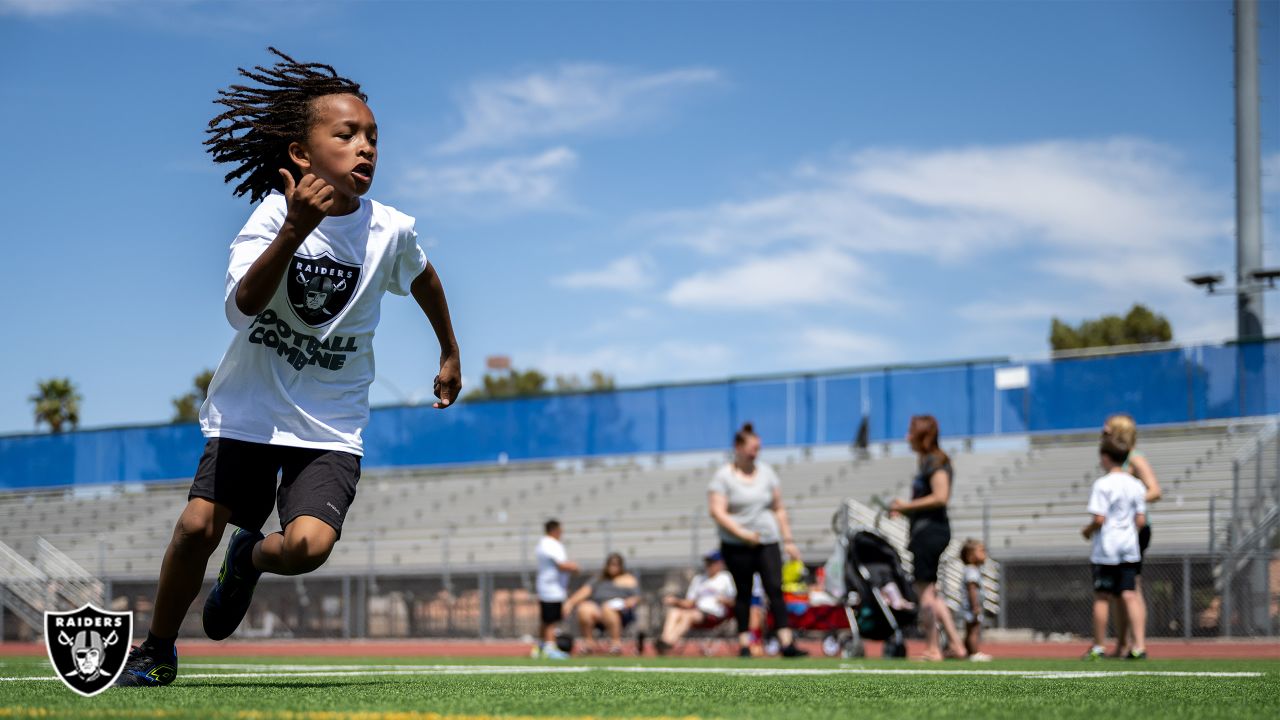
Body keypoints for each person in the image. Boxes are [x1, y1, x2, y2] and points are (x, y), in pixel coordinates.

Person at [116, 48, 461, 687]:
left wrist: (449, 350)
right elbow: (243, 307)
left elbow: (426, 279)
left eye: (373, 138)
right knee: (197, 524)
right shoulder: (275, 216)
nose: (366, 148)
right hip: (252, 406)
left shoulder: (390, 230)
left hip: (329, 418)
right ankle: (156, 650)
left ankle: (248, 556)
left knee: (307, 548)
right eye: (347, 134)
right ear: (302, 154)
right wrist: (295, 232)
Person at [708, 422, 808, 658]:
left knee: (775, 588)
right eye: (752, 447)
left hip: (767, 540)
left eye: (758, 448)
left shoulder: (767, 473)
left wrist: (789, 540)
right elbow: (717, 511)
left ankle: (786, 642)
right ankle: (745, 643)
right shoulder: (723, 476)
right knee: (743, 592)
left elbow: (779, 508)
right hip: (736, 544)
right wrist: (742, 534)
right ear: (738, 447)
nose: (756, 452)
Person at [889, 415, 967, 660]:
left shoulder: (935, 460)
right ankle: (956, 645)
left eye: (910, 432)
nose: (906, 437)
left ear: (922, 435)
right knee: (931, 592)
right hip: (929, 530)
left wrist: (907, 506)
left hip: (930, 532)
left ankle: (933, 648)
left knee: (923, 592)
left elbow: (941, 496)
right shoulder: (927, 461)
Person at [1081, 433, 1148, 660]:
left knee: (1102, 596)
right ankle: (1139, 646)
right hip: (1129, 546)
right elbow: (1140, 520)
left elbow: (1099, 519)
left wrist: (1087, 531)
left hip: (1107, 548)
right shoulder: (1136, 484)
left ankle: (1099, 645)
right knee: (1130, 594)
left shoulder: (1103, 484)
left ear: (1106, 457)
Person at [1102, 414, 1161, 658]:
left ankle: (1139, 644)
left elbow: (1155, 490)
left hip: (1134, 531)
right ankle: (1121, 644)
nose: (1103, 431)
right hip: (1116, 531)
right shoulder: (1114, 458)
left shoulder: (1135, 459)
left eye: (1107, 428)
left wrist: (1129, 502)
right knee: (1117, 591)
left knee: (1131, 588)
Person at [655, 550, 736, 655]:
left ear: (719, 564)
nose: (708, 565)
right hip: (698, 612)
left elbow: (734, 601)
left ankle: (667, 643)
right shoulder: (699, 579)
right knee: (674, 611)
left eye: (711, 562)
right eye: (707, 562)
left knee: (688, 615)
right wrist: (675, 601)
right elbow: (689, 603)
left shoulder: (725, 578)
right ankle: (665, 641)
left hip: (715, 615)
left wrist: (724, 600)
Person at [564, 553, 641, 655]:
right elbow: (585, 591)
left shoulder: (628, 579)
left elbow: (636, 598)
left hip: (620, 613)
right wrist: (570, 603)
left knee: (608, 607)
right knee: (584, 608)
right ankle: (589, 644)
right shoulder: (599, 579)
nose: (613, 567)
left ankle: (615, 644)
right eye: (610, 564)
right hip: (599, 613)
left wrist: (627, 603)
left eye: (616, 564)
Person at [534, 519, 579, 659]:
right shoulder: (550, 544)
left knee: (546, 619)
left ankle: (540, 647)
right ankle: (549, 647)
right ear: (555, 530)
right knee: (550, 620)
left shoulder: (544, 543)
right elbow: (561, 564)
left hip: (550, 587)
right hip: (551, 588)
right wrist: (575, 567)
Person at [959, 539, 992, 662]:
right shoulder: (972, 570)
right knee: (974, 630)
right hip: (972, 607)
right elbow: (972, 589)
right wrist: (975, 606)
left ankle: (968, 652)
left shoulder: (972, 570)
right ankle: (974, 652)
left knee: (970, 630)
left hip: (970, 606)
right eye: (981, 551)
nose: (985, 554)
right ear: (970, 556)